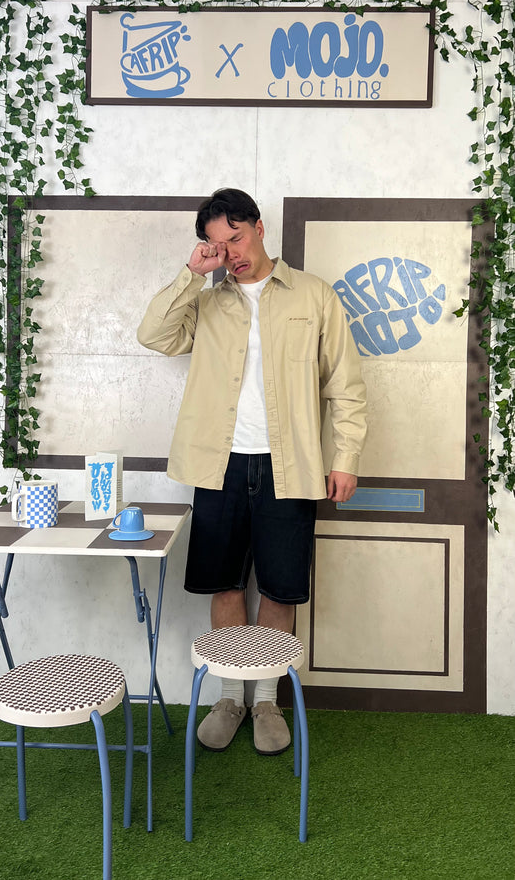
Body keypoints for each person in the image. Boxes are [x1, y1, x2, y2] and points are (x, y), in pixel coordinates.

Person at [137, 187, 367, 755]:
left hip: (292, 465)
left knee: (280, 585)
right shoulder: (207, 302)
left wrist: (346, 458)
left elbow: (345, 384)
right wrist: (192, 274)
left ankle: (265, 700)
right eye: (217, 244)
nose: (230, 253)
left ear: (259, 228)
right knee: (224, 581)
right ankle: (228, 697)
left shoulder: (313, 295)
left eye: (235, 238)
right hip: (218, 464)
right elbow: (154, 336)